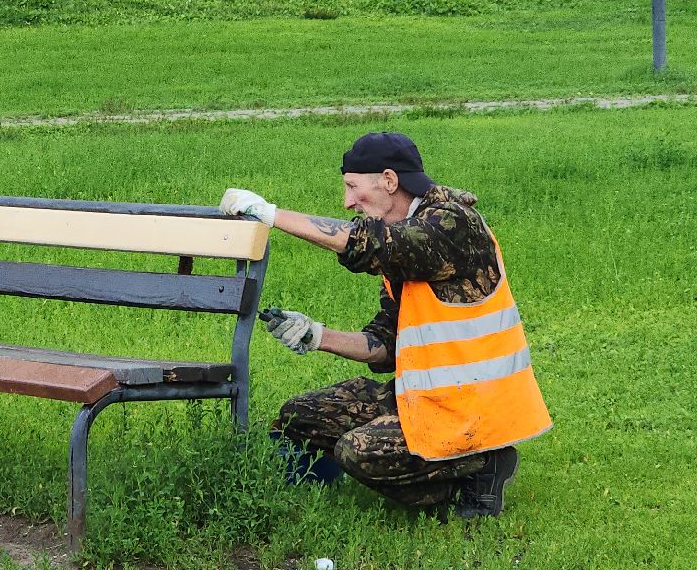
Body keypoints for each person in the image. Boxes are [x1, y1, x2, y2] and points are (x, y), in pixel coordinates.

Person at [219, 132, 550, 518]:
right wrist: (317, 335)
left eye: (352, 187)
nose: (347, 201)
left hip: (475, 412)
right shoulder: (407, 243)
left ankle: (481, 469)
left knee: (358, 451)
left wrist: (271, 215)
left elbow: (369, 243)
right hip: (427, 399)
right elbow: (386, 343)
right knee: (300, 415)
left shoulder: (452, 223)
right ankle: (310, 499)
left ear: (389, 181)